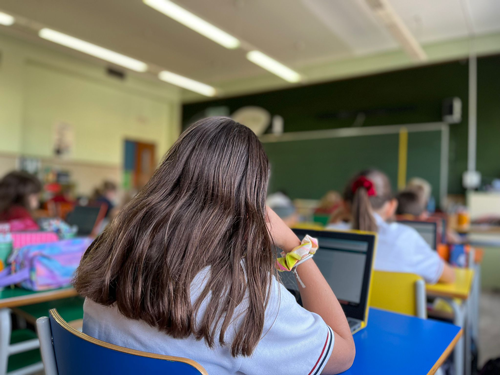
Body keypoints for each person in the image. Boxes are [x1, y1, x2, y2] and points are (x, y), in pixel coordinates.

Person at [74, 117, 355, 375]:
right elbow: (343, 354)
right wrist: (295, 246)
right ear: (251, 198)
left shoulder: (110, 250)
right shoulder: (240, 292)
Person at [327, 169, 455, 284]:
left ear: (343, 205)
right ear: (392, 206)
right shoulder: (406, 238)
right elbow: (450, 277)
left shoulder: (329, 235)